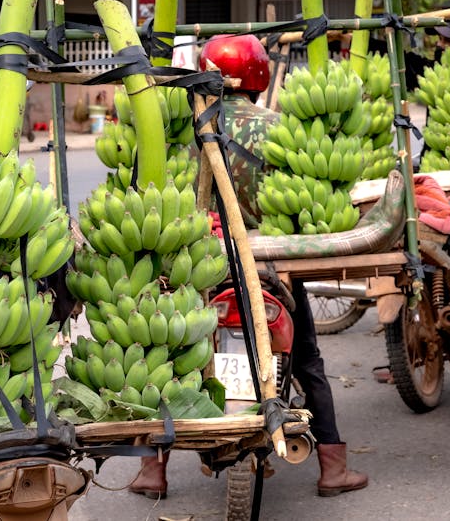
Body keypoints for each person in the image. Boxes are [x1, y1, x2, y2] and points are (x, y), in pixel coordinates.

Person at [127, 34, 368, 499]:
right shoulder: (279, 129)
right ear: (258, 79)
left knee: (168, 357)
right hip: (270, 264)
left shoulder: (179, 134)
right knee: (309, 361)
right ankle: (332, 468)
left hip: (196, 264)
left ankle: (151, 471)